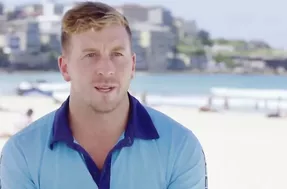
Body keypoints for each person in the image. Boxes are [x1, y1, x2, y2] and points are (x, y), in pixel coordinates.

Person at [0, 2, 207, 189]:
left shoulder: (179, 147)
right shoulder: (22, 154)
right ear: (65, 68)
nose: (106, 69)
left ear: (132, 65)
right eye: (90, 55)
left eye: (117, 54)